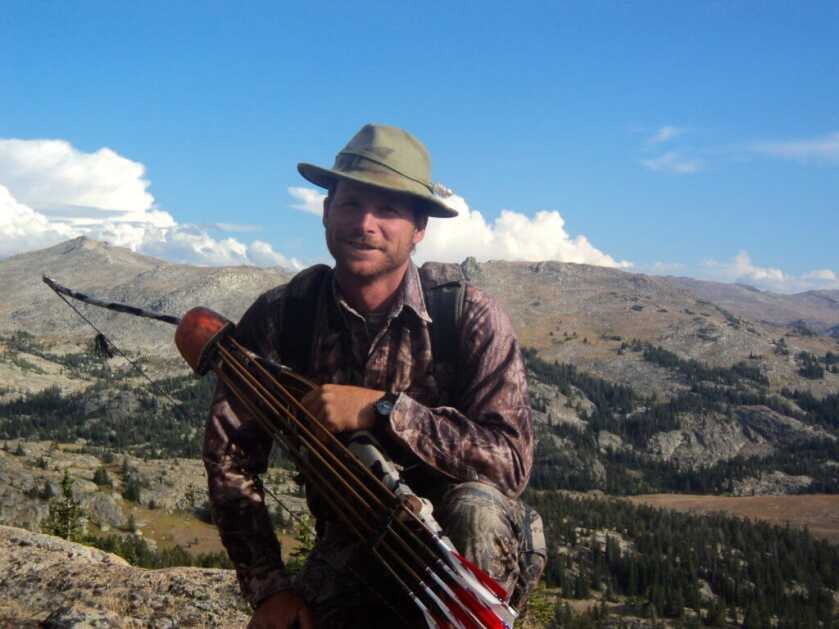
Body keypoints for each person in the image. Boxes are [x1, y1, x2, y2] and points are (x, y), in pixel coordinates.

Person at [203, 124, 545, 628]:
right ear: (325, 212)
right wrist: (268, 589)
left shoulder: (468, 315)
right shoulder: (283, 317)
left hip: (466, 546)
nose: (365, 223)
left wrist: (384, 410)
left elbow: (510, 463)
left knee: (475, 508)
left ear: (419, 227)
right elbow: (231, 453)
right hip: (355, 539)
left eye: (387, 210)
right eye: (350, 204)